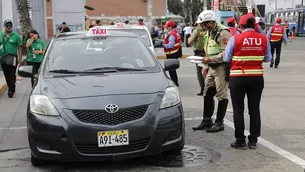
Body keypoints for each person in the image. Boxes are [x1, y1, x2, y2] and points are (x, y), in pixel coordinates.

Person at [223, 14, 272, 149]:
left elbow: (226, 58)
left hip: (238, 78)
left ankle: (240, 141)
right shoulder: (263, 38)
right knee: (254, 109)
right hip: (256, 78)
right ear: (254, 25)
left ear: (241, 25)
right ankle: (253, 141)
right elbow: (268, 58)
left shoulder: (235, 38)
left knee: (238, 110)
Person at [192, 10, 232, 132]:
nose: (202, 26)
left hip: (221, 67)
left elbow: (227, 53)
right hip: (211, 66)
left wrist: (211, 59)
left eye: (203, 24)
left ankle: (219, 123)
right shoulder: (209, 32)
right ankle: (207, 120)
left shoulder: (223, 32)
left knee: (221, 95)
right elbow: (208, 50)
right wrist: (205, 65)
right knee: (208, 93)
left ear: (210, 22)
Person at [0, 19, 23, 98]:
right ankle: (10, 86)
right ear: (4, 26)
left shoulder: (16, 36)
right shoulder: (1, 35)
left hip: (12, 58)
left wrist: (20, 59)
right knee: (6, 74)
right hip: (2, 58)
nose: (8, 27)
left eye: (10, 26)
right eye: (7, 26)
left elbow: (20, 47)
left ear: (12, 26)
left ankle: (11, 89)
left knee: (12, 74)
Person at [188, 23, 206, 96]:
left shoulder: (196, 31)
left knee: (200, 72)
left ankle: (203, 88)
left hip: (199, 53)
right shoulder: (208, 30)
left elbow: (190, 41)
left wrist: (189, 38)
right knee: (208, 71)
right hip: (208, 52)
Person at [162, 20, 182, 86]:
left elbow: (170, 45)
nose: (166, 28)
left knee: (171, 70)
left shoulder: (172, 35)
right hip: (175, 52)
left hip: (172, 53)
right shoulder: (175, 32)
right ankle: (175, 82)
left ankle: (174, 83)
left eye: (167, 27)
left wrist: (163, 45)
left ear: (171, 27)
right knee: (173, 69)